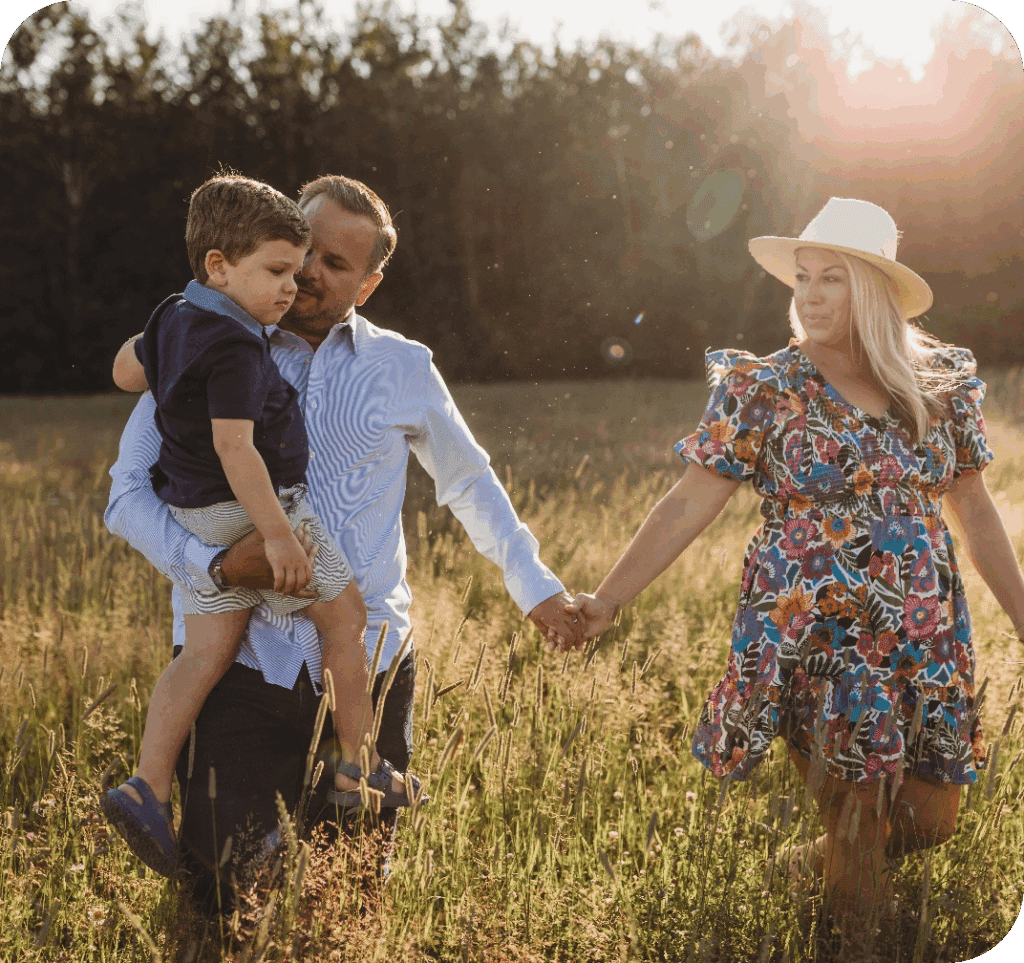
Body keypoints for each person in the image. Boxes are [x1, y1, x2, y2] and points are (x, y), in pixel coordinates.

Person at [105, 172, 584, 909]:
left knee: (354, 899)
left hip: (372, 665)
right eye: (304, 252)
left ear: (368, 284)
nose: (307, 274)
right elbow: (126, 496)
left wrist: (536, 587)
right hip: (240, 663)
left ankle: (355, 775)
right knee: (223, 898)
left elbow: (470, 482)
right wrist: (213, 564)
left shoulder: (403, 367)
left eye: (334, 264)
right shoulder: (207, 341)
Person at [568, 197, 1024, 956]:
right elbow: (689, 501)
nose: (809, 294)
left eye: (831, 278)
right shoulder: (765, 385)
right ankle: (853, 937)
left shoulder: (937, 387)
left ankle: (798, 871)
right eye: (803, 276)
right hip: (814, 630)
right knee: (857, 815)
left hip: (922, 633)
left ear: (873, 289)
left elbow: (973, 510)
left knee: (929, 819)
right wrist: (608, 600)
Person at [102, 174, 422, 879]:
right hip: (252, 509)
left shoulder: (171, 318)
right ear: (219, 265)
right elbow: (235, 447)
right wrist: (276, 535)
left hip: (194, 512)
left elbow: (125, 370)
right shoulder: (240, 345)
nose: (292, 285)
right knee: (346, 619)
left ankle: (148, 784)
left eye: (299, 269)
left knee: (203, 654)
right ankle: (358, 767)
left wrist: (166, 357)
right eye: (278, 271)